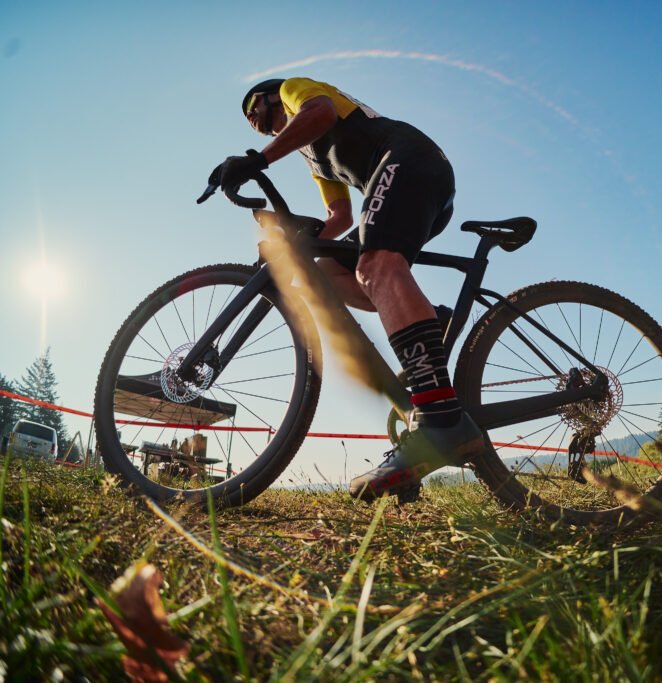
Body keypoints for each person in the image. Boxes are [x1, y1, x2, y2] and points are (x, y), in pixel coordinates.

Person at [208, 76, 486, 502]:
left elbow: (320, 112)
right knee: (329, 277)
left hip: (407, 160)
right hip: (407, 179)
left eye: (253, 111)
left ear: (268, 98)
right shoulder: (312, 154)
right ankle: (432, 323)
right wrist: (296, 240)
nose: (254, 123)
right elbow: (338, 216)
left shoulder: (296, 92)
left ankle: (439, 418)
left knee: (376, 265)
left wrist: (258, 161)